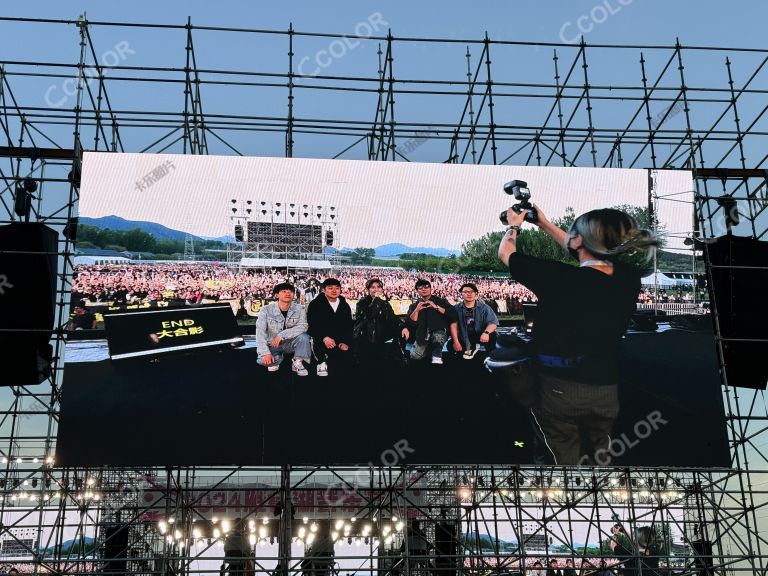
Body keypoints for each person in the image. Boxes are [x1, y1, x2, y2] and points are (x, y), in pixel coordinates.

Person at [497, 204, 660, 465]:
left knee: (560, 459)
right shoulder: (628, 278)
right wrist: (544, 223)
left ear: (580, 241)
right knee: (602, 457)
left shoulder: (558, 277)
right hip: (606, 388)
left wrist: (514, 225)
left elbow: (506, 252)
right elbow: (590, 256)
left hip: (558, 389)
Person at [255, 282, 311, 376]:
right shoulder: (266, 309)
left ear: (294, 294)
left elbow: (303, 326)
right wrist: (265, 353)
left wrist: (282, 335)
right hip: (272, 344)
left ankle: (297, 362)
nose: (288, 293)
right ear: (277, 294)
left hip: (291, 343)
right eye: (284, 291)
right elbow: (260, 332)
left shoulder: (300, 308)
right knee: (263, 361)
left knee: (304, 337)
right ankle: (277, 357)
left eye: (290, 291)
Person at [353, 278, 410, 368]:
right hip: (367, 337)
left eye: (379, 287)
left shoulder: (385, 303)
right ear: (368, 290)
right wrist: (376, 299)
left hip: (382, 335)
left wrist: (403, 327)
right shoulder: (362, 301)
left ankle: (400, 357)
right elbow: (368, 315)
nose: (376, 289)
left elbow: (393, 318)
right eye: (373, 287)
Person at [307, 278, 353, 377]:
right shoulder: (315, 304)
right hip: (322, 340)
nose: (334, 290)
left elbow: (349, 325)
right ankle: (321, 362)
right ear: (324, 290)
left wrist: (345, 341)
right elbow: (312, 325)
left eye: (337, 288)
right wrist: (324, 337)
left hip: (340, 340)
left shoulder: (344, 305)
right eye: (330, 288)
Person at [406, 279, 457, 365]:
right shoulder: (414, 305)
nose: (423, 289)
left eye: (426, 287)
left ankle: (436, 354)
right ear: (417, 291)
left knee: (437, 338)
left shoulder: (441, 301)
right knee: (415, 356)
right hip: (422, 335)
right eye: (420, 288)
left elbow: (453, 314)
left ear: (431, 288)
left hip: (439, 333)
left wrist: (436, 307)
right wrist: (417, 310)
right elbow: (411, 322)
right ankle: (429, 349)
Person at [451, 282, 498, 359]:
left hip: (481, 335)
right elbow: (453, 326)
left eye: (471, 292)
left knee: (493, 336)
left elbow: (493, 323)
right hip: (463, 336)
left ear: (476, 294)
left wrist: (486, 333)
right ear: (461, 294)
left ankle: (491, 359)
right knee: (450, 346)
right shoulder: (455, 309)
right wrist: (456, 342)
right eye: (465, 292)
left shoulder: (485, 308)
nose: (469, 294)